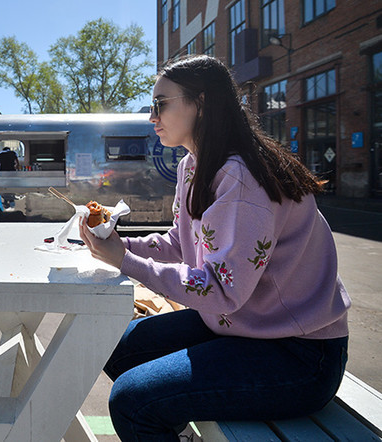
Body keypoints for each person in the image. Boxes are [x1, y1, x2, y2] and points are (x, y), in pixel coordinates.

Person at [79, 55, 350, 442]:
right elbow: (181, 242)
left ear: (201, 104)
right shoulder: (194, 165)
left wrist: (125, 262)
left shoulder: (241, 178)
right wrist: (118, 245)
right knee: (113, 348)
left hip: (300, 355)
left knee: (131, 401)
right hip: (246, 326)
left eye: (160, 104)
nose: (151, 116)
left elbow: (222, 290)